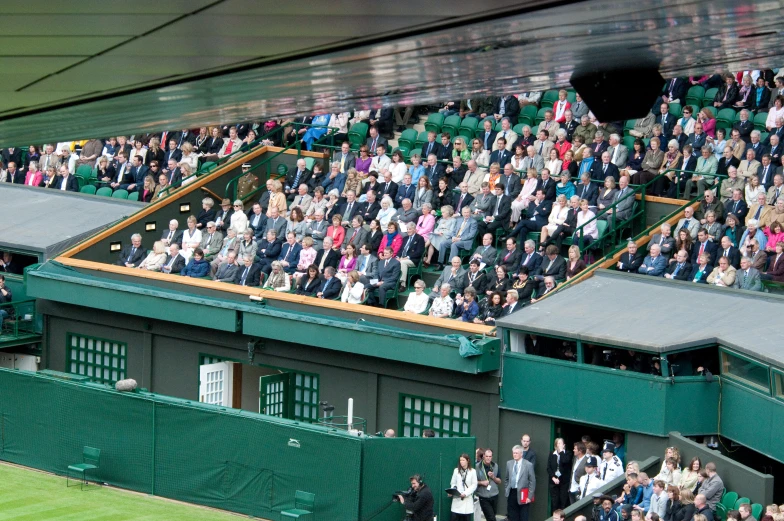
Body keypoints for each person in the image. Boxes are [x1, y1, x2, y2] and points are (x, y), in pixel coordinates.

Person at [505, 444, 536, 521]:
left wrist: (529, 496)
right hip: (512, 492)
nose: (515, 455)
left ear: (521, 454)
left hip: (523, 493)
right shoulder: (509, 463)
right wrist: (506, 489)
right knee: (512, 516)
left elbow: (532, 481)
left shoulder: (528, 464)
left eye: (516, 453)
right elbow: (506, 478)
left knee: (523, 516)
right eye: (514, 453)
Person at [449, 453, 477, 521]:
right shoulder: (456, 471)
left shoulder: (472, 471)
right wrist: (453, 490)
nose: (461, 462)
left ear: (468, 460)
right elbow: (453, 483)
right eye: (460, 460)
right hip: (457, 499)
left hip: (467, 501)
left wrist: (465, 493)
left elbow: (474, 485)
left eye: (463, 460)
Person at [547, 437, 572, 512]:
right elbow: (548, 467)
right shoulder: (552, 454)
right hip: (554, 482)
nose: (560, 445)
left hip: (564, 482)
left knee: (563, 502)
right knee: (555, 502)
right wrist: (553, 477)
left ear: (564, 445)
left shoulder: (568, 453)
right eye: (558, 443)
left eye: (561, 443)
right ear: (555, 445)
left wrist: (561, 451)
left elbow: (564, 461)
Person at [476, 449, 501, 521]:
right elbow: (473, 482)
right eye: (486, 456)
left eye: (490, 456)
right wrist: (481, 482)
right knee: (491, 518)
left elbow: (499, 481)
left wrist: (493, 477)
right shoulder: (478, 466)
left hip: (494, 495)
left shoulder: (495, 465)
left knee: (493, 515)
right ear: (483, 456)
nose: (488, 458)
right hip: (483, 496)